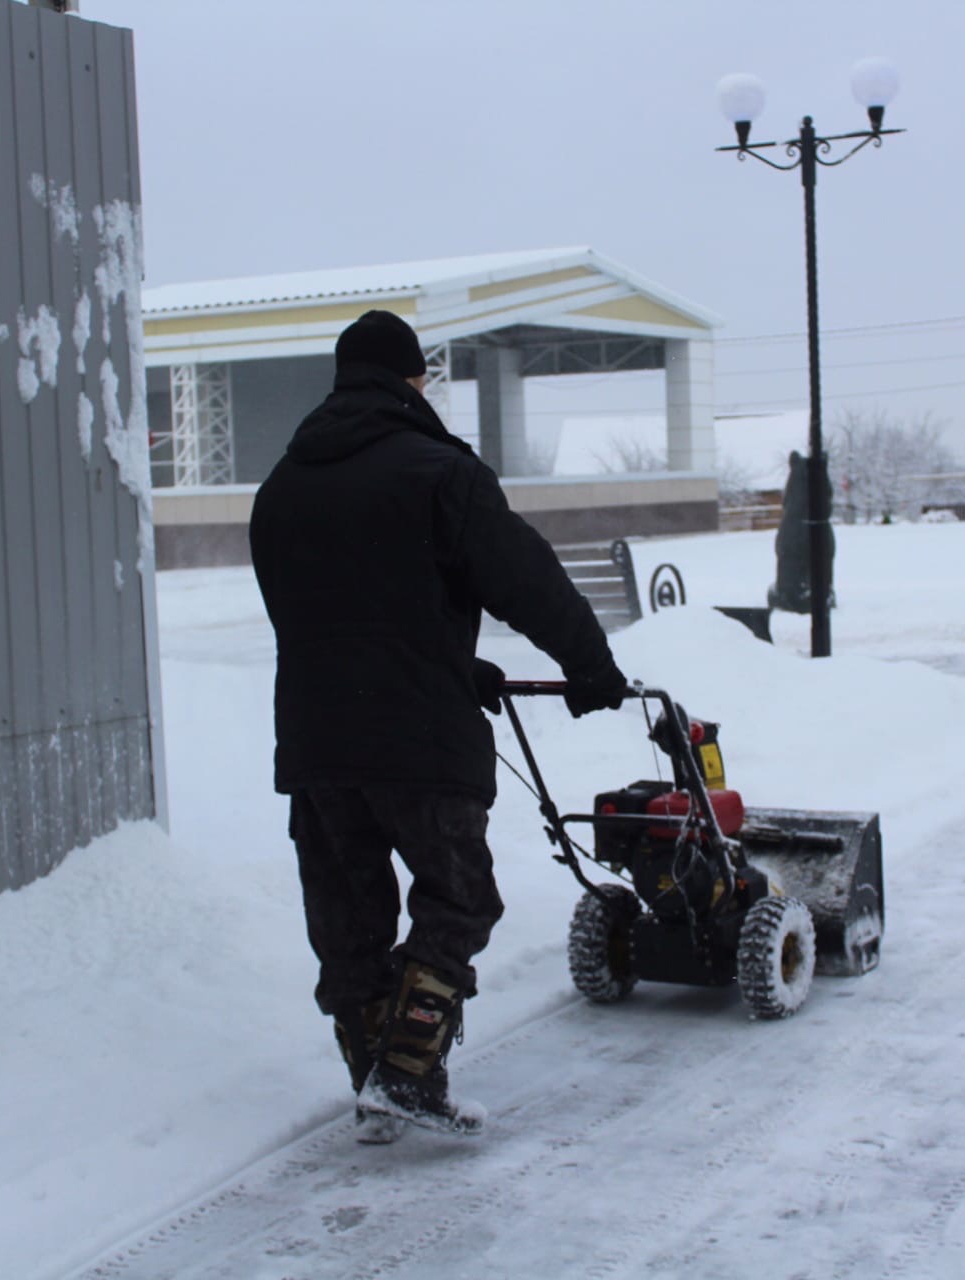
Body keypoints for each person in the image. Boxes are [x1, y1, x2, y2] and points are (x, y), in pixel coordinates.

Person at [249, 309, 629, 1141]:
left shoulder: (282, 485)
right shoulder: (437, 472)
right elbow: (524, 577)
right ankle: (406, 1071)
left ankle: (375, 1072)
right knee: (458, 899)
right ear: (411, 380)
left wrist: (453, 660)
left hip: (316, 744)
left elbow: (332, 618)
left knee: (347, 919)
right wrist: (590, 667)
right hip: (419, 743)